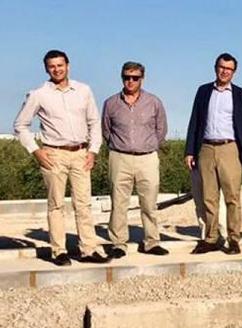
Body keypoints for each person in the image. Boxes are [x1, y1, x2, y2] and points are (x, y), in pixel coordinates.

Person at [13, 49, 110, 266]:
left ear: (68, 65)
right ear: (47, 69)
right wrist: (35, 151)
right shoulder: (39, 94)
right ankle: (59, 251)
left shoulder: (83, 90)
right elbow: (20, 125)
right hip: (53, 154)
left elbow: (94, 122)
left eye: (60, 65)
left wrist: (93, 150)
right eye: (52, 66)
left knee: (83, 204)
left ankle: (89, 249)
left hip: (81, 154)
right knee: (56, 204)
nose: (57, 69)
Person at [184, 53, 242, 255]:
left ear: (234, 72)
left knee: (232, 197)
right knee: (209, 197)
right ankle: (211, 238)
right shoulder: (203, 91)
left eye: (229, 69)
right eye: (221, 67)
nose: (225, 71)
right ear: (215, 68)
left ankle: (234, 239)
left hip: (230, 148)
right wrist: (190, 151)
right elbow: (195, 122)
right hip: (205, 149)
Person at [101, 61, 169, 258]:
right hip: (119, 157)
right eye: (126, 77)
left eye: (135, 78)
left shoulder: (154, 102)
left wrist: (150, 145)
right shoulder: (111, 103)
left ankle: (151, 241)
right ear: (121, 78)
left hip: (147, 158)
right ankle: (118, 243)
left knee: (149, 202)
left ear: (142, 78)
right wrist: (118, 147)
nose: (130, 81)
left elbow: (161, 129)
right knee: (118, 202)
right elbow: (106, 130)